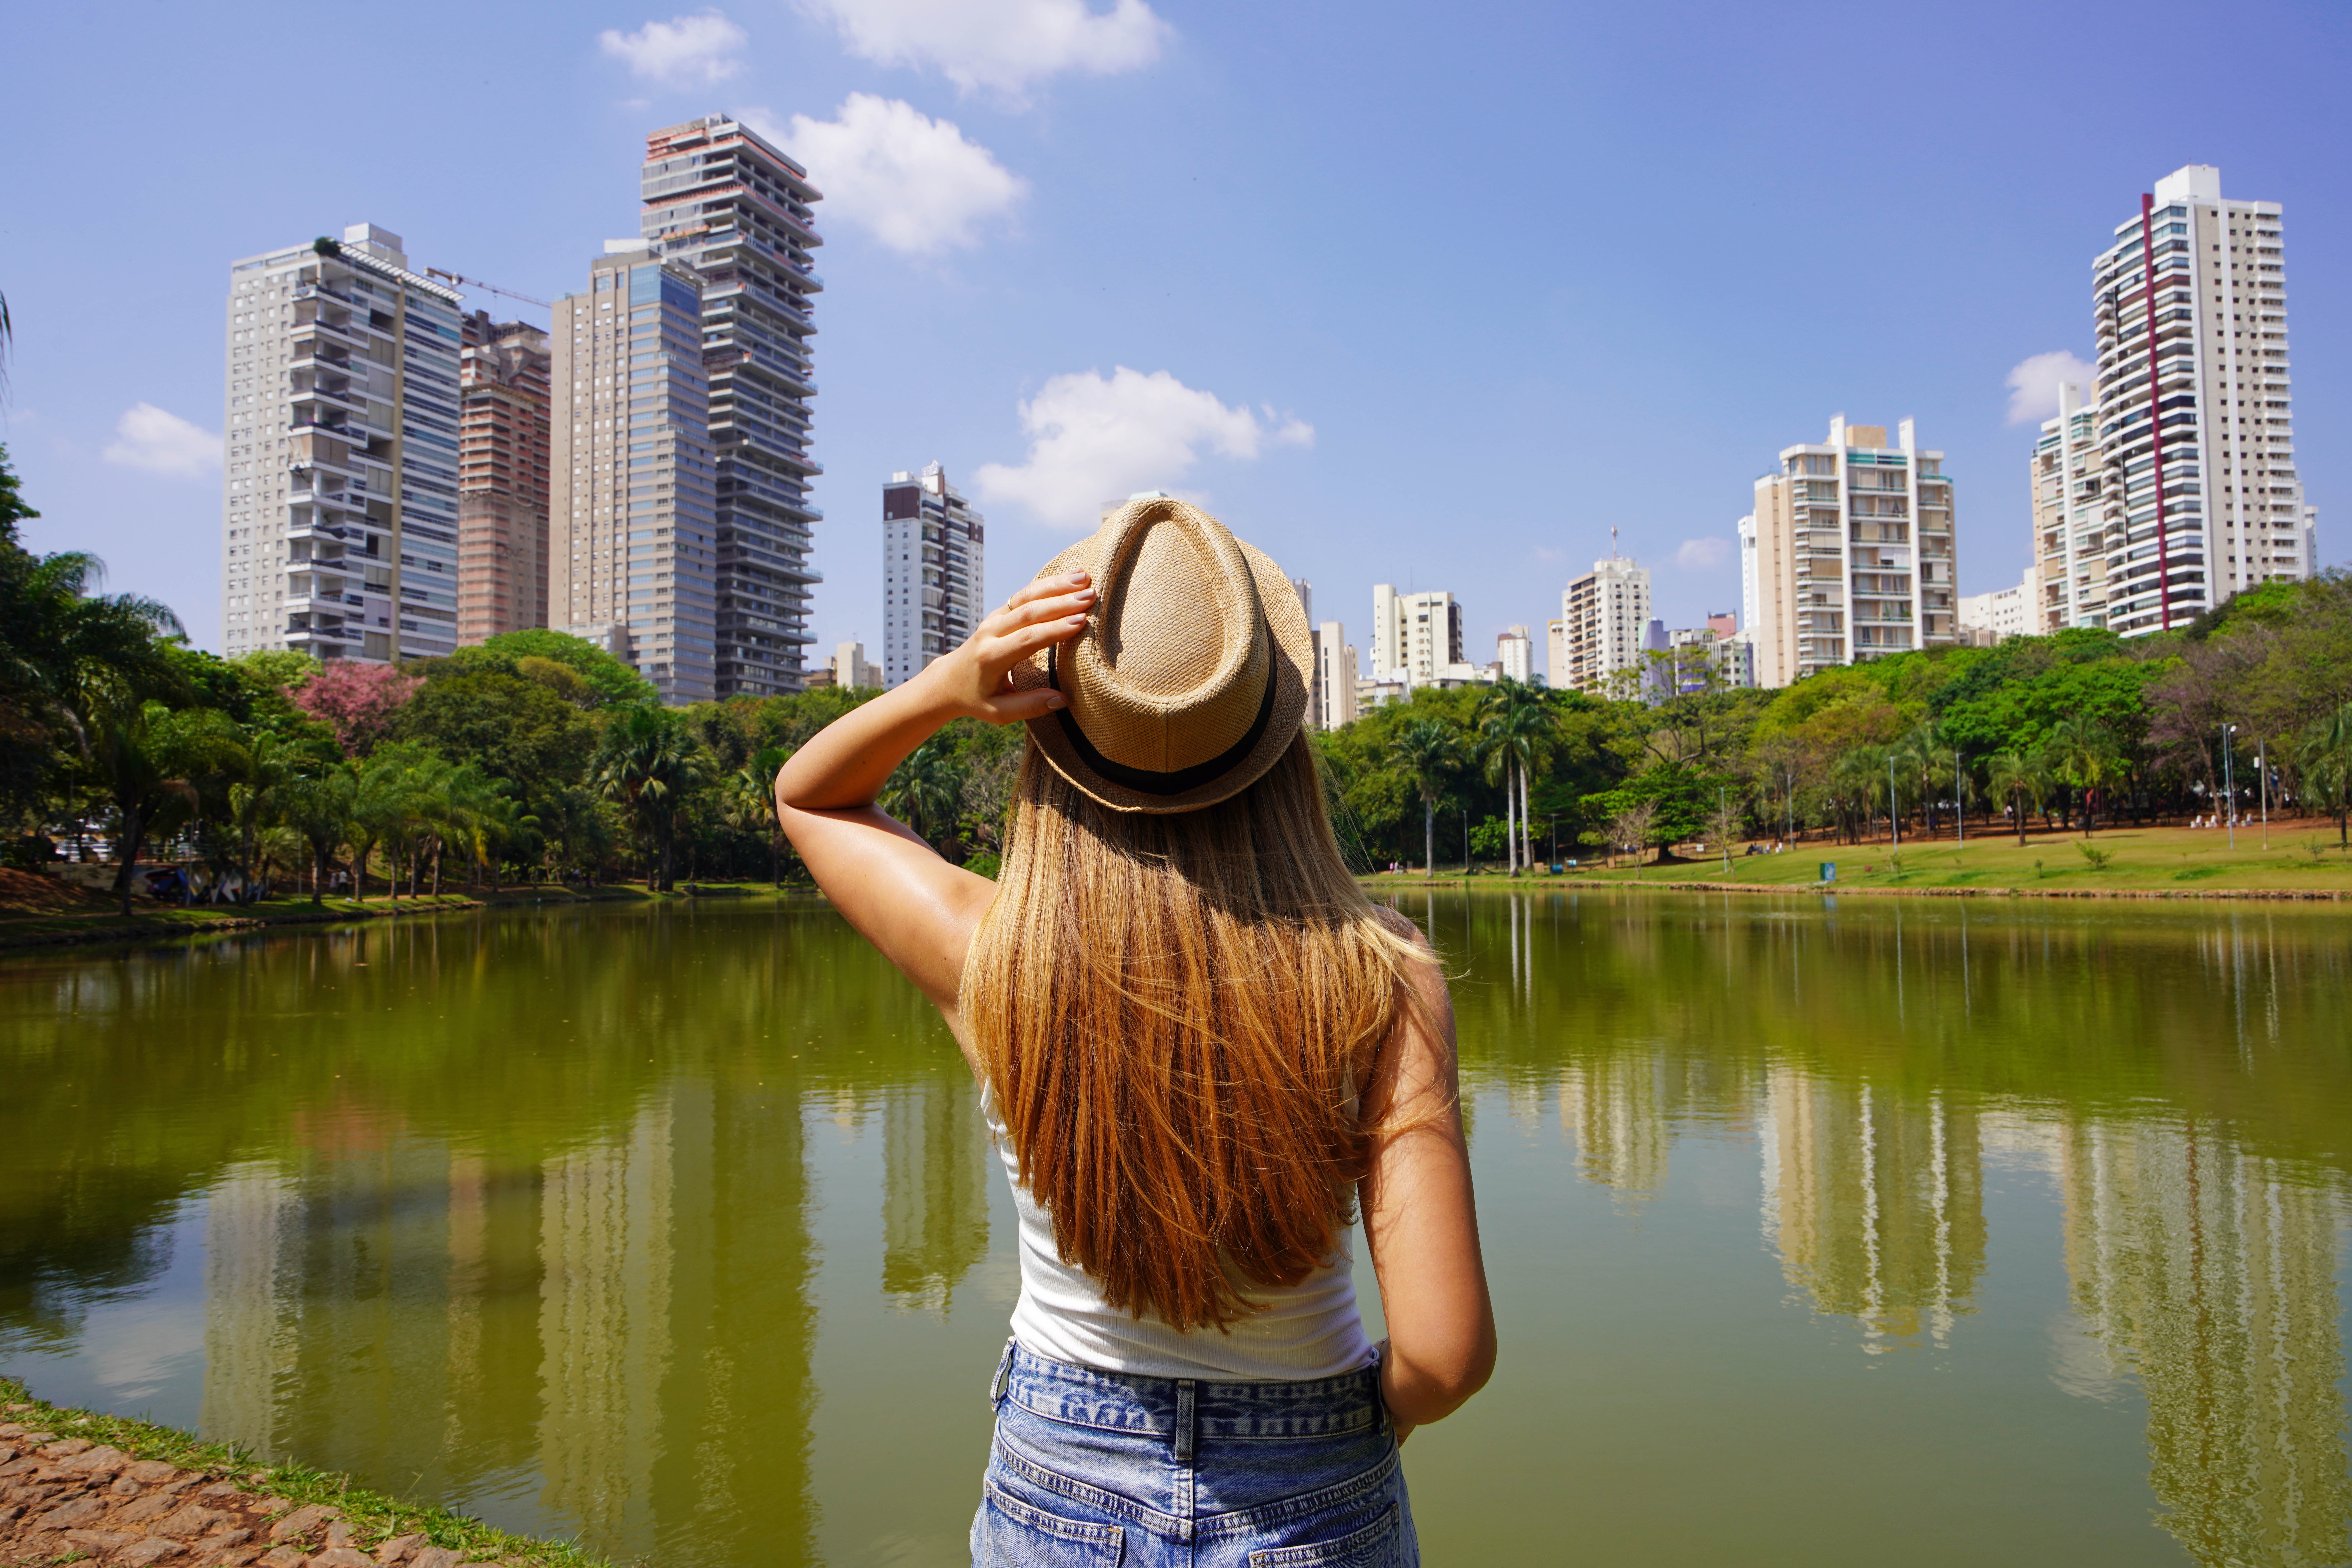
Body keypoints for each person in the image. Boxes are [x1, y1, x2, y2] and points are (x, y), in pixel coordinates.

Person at [777, 499, 1495, 1567]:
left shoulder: (992, 955)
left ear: (1054, 738)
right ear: (1279, 738)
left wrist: (948, 685)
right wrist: (1342, 1435)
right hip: (1317, 1491)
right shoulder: (1381, 971)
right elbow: (1445, 1358)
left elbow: (810, 799)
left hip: (1058, 1475)